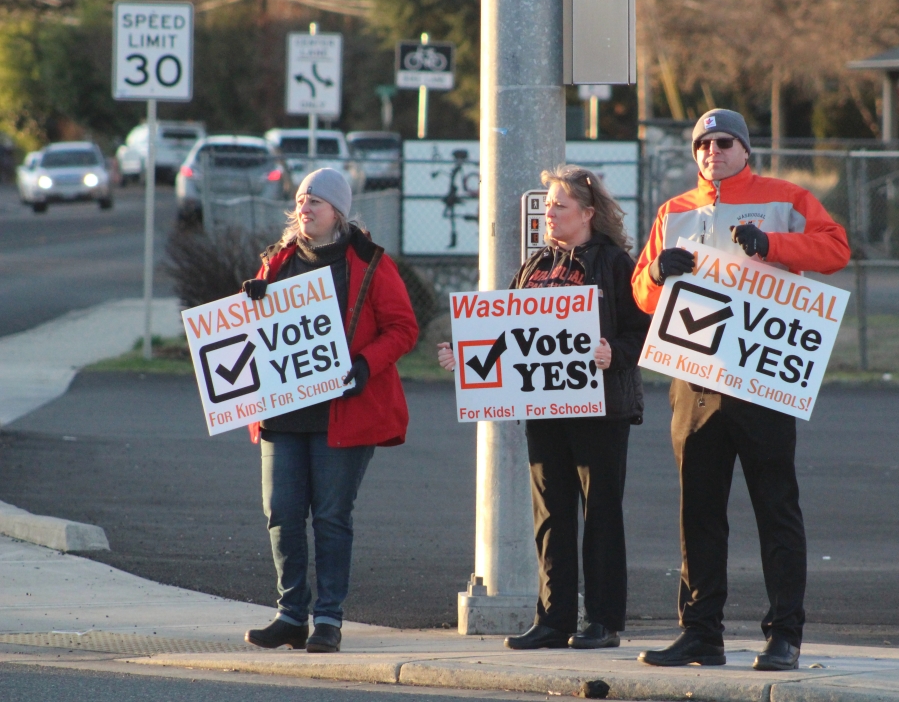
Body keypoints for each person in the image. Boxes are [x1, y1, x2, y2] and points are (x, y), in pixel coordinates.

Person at [631, 109, 850, 671]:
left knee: (775, 505)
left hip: (762, 377)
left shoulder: (786, 198)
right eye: (702, 144)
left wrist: (772, 244)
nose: (712, 153)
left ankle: (784, 635)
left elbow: (836, 249)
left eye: (723, 142)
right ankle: (701, 633)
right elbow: (641, 295)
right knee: (698, 510)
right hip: (696, 378)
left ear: (744, 148)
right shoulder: (673, 210)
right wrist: (656, 273)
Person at [438, 165, 650, 650]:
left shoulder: (616, 264)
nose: (548, 213)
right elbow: (508, 334)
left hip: (601, 409)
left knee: (600, 512)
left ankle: (601, 621)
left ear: (588, 213)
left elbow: (642, 332)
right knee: (551, 515)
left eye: (559, 205)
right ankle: (554, 619)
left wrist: (613, 353)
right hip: (545, 411)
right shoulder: (534, 266)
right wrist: (465, 355)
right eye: (547, 205)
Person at [241, 168, 418, 653]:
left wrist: (364, 365)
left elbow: (403, 328)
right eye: (300, 200)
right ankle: (291, 613)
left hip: (344, 414)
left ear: (337, 211)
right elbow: (255, 336)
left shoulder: (369, 263)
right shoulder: (276, 264)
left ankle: (328, 619)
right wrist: (253, 299)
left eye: (314, 202)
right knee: (281, 512)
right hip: (282, 414)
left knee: (332, 518)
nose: (304, 209)